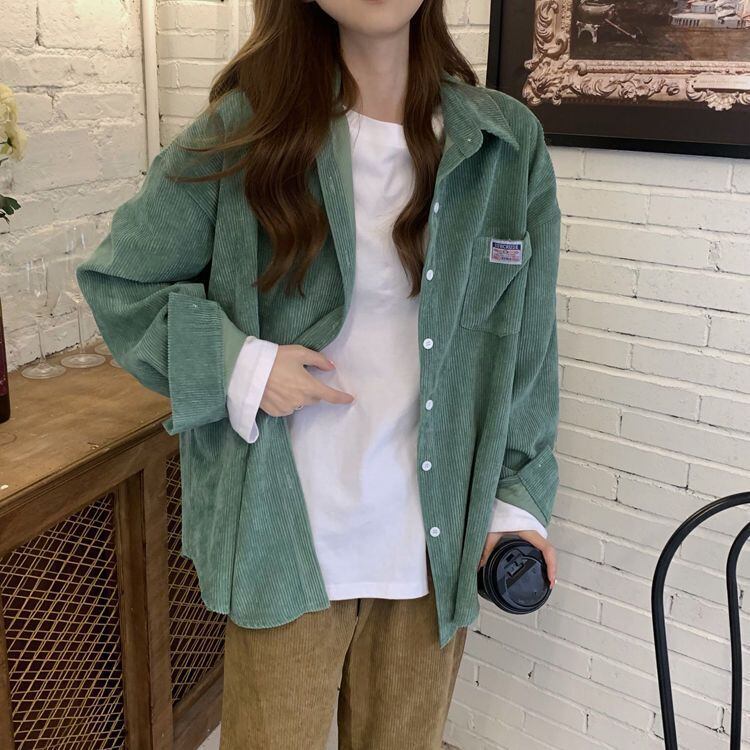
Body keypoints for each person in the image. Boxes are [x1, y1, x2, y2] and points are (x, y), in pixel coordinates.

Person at [76, 1, 561, 747]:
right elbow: (120, 283)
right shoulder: (250, 129)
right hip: (285, 542)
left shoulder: (504, 145)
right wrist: (243, 365)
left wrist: (517, 505)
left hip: (432, 548)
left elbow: (527, 348)